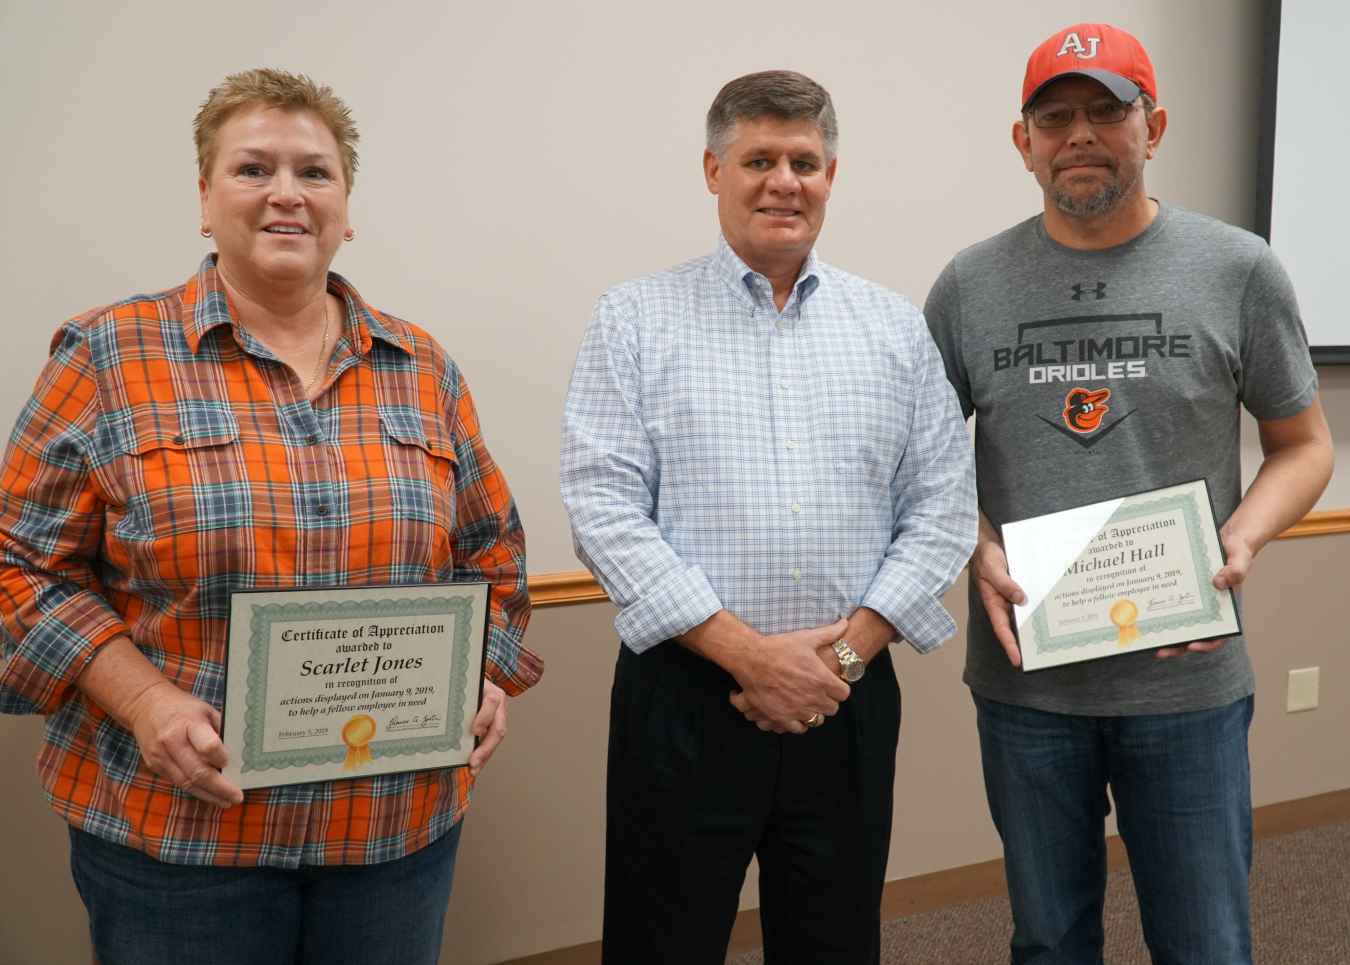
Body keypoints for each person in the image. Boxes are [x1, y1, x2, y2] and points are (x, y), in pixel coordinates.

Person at [0, 69, 540, 965]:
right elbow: (17, 563)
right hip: (180, 842)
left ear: (347, 207)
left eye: (314, 172)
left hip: (390, 836)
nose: (287, 193)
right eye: (253, 168)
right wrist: (144, 700)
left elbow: (492, 554)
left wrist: (480, 673)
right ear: (204, 200)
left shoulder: (424, 367)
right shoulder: (107, 355)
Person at [923, 24, 1334, 964]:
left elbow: (1304, 446)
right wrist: (974, 541)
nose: (1080, 134)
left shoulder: (1239, 268)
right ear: (1021, 142)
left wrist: (1241, 538)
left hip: (1186, 682)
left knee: (1205, 942)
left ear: (1154, 125)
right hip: (1026, 686)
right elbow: (918, 463)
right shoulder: (969, 284)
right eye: (1054, 115)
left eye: (1107, 110)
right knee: (1049, 939)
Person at [560, 70, 977, 964]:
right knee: (660, 940)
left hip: (847, 697)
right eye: (758, 159)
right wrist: (751, 656)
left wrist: (841, 655)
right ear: (713, 170)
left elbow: (944, 505)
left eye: (805, 160)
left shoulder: (894, 328)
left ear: (831, 175)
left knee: (834, 940)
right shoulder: (634, 319)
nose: (783, 180)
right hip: (687, 694)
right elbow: (603, 507)